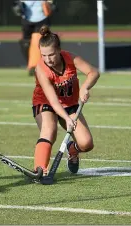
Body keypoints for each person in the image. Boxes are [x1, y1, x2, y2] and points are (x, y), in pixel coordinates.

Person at [32, 25, 100, 178]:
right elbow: (53, 100)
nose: (47, 59)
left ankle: (73, 149)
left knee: (87, 144)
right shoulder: (41, 69)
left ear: (59, 50)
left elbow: (94, 72)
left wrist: (84, 87)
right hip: (46, 103)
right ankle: (39, 169)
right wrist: (67, 118)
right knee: (50, 131)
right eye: (43, 55)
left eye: (51, 54)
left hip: (70, 104)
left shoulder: (71, 58)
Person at [13, 0, 55, 76]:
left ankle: (44, 65)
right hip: (27, 19)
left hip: (42, 18)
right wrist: (18, 6)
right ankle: (31, 64)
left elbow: (51, 4)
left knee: (43, 43)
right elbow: (17, 4)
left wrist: (50, 5)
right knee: (25, 43)